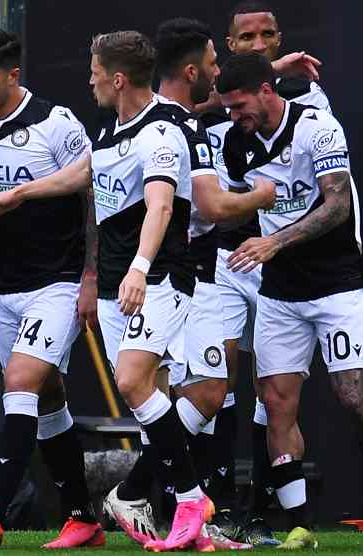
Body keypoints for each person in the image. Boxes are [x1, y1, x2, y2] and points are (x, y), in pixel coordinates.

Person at [0, 30, 216, 552]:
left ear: (118, 78)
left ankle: (193, 498)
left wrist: (139, 267)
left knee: (132, 383)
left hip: (155, 280)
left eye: (95, 71)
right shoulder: (112, 131)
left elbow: (161, 206)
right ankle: (185, 522)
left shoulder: (161, 131)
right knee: (152, 396)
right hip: (111, 287)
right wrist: (18, 194)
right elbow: (78, 175)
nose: (89, 79)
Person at [103, 18, 274, 552]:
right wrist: (260, 197)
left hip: (182, 274)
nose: (221, 74)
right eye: (215, 63)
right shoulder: (174, 128)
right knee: (170, 388)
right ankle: (181, 499)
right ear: (194, 69)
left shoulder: (167, 119)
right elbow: (210, 206)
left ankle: (152, 498)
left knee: (203, 391)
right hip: (180, 274)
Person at [0, 28, 104, 549]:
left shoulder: (55, 123)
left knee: (19, 381)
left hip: (56, 281)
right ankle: (83, 517)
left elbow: (92, 184)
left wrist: (90, 275)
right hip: (3, 286)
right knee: (47, 396)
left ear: (13, 74)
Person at [217, 51, 363, 550]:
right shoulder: (236, 145)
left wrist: (273, 242)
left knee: (353, 395)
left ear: (266, 89)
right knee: (276, 403)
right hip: (280, 292)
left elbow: (338, 204)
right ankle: (300, 524)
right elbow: (235, 208)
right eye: (228, 108)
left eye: (240, 106)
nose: (235, 117)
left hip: (339, 283)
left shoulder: (317, 126)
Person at [202, 2, 334, 544]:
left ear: (279, 37)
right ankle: (219, 505)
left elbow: (325, 191)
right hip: (227, 257)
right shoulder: (220, 99)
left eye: (267, 35)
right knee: (219, 377)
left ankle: (260, 506)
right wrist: (268, 75)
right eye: (246, 37)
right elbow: (186, 108)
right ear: (230, 44)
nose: (258, 43)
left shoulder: (310, 103)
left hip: (281, 261)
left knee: (271, 391)